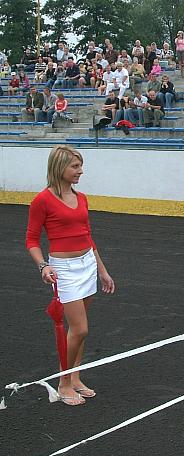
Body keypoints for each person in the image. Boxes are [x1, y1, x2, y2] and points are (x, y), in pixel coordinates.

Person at [26, 145, 115, 406]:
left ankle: (74, 377)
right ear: (59, 167)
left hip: (87, 264)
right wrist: (43, 265)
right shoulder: (42, 200)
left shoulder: (82, 197)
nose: (80, 171)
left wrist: (102, 270)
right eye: (75, 166)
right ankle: (63, 383)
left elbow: (87, 235)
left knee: (80, 331)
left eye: (80, 166)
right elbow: (31, 239)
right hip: (64, 270)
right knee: (79, 328)